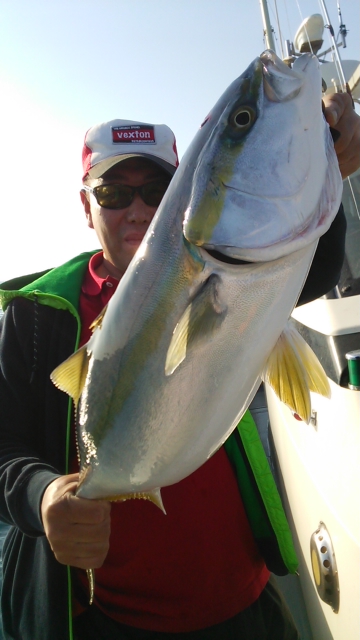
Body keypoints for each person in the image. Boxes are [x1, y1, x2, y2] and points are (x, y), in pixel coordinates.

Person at [0, 91, 359, 640]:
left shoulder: (239, 267)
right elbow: (5, 446)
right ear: (86, 206)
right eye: (114, 192)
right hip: (110, 621)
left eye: (157, 191)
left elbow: (308, 261)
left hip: (249, 599)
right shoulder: (37, 316)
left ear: (184, 196)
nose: (138, 209)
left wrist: (322, 165)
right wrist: (43, 494)